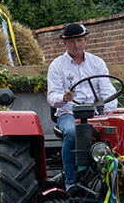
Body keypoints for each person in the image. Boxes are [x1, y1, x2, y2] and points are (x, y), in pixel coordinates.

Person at [47, 23, 117, 191]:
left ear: (86, 40)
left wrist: (106, 114)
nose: (76, 45)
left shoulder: (97, 63)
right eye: (71, 42)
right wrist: (64, 97)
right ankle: (70, 181)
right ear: (65, 43)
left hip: (95, 113)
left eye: (79, 40)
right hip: (69, 113)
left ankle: (113, 178)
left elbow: (108, 91)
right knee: (73, 132)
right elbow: (52, 97)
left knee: (114, 131)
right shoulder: (57, 66)